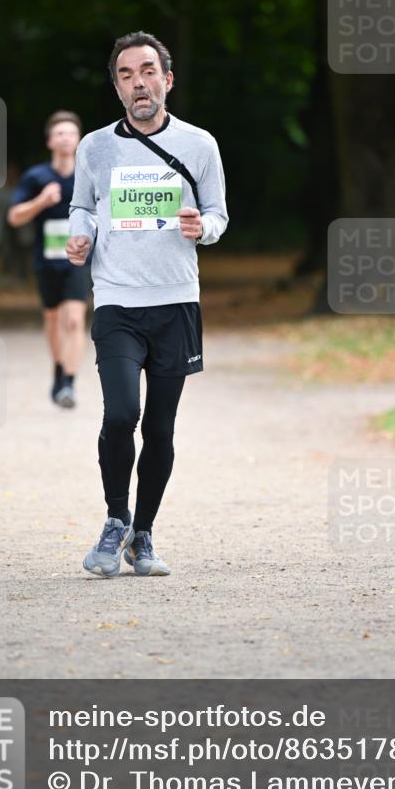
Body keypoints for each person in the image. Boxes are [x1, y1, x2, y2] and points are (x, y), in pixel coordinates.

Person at [67, 30, 228, 577]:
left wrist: (200, 226)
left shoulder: (200, 144)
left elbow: (218, 215)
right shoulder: (95, 147)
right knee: (120, 414)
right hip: (115, 301)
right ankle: (116, 519)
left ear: (168, 79)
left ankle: (144, 535)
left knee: (160, 429)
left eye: (148, 71)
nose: (139, 83)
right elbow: (82, 207)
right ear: (117, 88)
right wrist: (80, 234)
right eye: (127, 75)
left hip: (176, 300)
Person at [8, 111, 90, 408]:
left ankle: (69, 383)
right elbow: (14, 217)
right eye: (60, 133)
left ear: (79, 139)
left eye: (70, 133)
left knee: (74, 319)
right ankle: (58, 369)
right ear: (50, 141)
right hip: (46, 260)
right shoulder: (36, 177)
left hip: (79, 259)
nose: (65, 138)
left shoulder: (89, 174)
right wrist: (42, 201)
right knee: (53, 319)